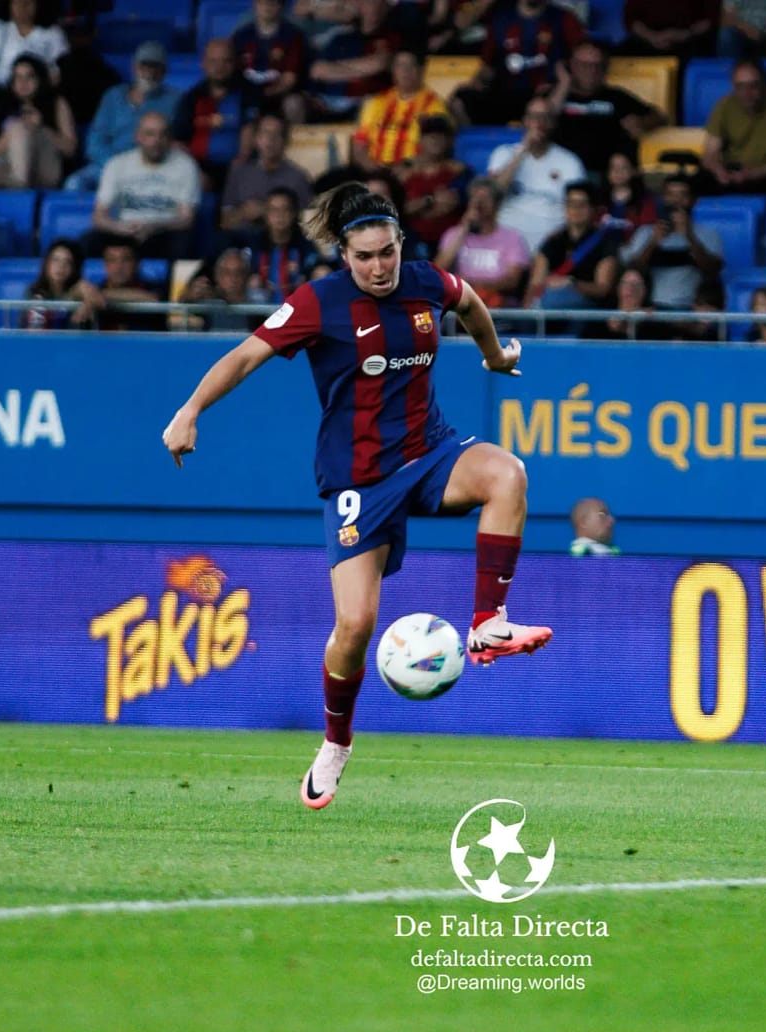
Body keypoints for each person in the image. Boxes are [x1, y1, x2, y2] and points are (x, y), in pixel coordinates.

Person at [160, 181, 553, 810]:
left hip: (430, 453)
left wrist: (494, 357)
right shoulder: (318, 302)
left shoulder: (426, 282)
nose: (378, 267)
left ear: (400, 243)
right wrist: (190, 410)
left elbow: (470, 302)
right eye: (364, 256)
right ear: (344, 255)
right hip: (358, 480)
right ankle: (336, 743)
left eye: (387, 252)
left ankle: (488, 623)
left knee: (508, 473)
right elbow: (245, 357)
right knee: (354, 625)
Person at [64, 41, 179, 192]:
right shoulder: (114, 95)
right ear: (134, 67)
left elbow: (174, 141)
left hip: (150, 165)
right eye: (144, 66)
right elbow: (95, 141)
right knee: (75, 183)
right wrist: (116, 165)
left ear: (164, 71)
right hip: (109, 163)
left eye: (155, 67)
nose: (149, 72)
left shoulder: (175, 100)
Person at [450, 0, 585, 127]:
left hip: (546, 95)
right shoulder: (500, 19)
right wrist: (479, 80)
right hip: (505, 94)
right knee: (460, 100)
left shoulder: (564, 19)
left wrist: (563, 82)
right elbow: (488, 65)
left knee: (548, 106)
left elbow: (583, 57)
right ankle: (477, 142)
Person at [89, 111, 200, 261]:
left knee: (184, 243)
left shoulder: (186, 165)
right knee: (89, 242)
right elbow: (98, 217)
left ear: (170, 138)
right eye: (150, 134)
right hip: (125, 231)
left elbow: (187, 219)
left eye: (163, 134)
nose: (156, 141)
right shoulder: (117, 164)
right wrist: (120, 228)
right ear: (138, 136)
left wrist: (154, 227)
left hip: (164, 231)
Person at [547, 39, 666, 178]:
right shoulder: (553, 95)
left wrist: (642, 123)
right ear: (570, 66)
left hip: (604, 176)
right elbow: (543, 118)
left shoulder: (616, 97)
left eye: (597, 65)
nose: (591, 71)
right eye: (584, 65)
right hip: (559, 174)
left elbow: (660, 117)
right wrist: (564, 84)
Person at [488, 99, 587, 252]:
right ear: (525, 121)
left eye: (545, 117)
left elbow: (579, 209)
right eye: (534, 116)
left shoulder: (570, 161)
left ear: (553, 123)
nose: (539, 123)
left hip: (551, 246)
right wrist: (524, 149)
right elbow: (494, 193)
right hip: (506, 245)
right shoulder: (503, 153)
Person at [620, 173, 724, 310]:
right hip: (650, 310)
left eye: (683, 195)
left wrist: (690, 237)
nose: (676, 201)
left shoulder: (709, 234)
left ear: (694, 200)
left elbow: (712, 271)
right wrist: (652, 243)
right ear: (663, 198)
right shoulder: (645, 232)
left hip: (690, 310)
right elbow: (633, 271)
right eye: (671, 195)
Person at [0, 54, 76, 189]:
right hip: (8, 164)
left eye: (29, 77)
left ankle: (20, 187)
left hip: (45, 167)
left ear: (40, 79)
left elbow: (70, 149)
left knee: (19, 129)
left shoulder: (56, 103)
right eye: (18, 77)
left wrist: (42, 127)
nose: (23, 83)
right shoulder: (4, 107)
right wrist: (12, 135)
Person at [702, 60, 766, 196]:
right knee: (702, 178)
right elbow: (709, 155)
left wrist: (755, 173)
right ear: (733, 87)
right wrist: (719, 171)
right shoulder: (724, 106)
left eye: (753, 86)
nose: (747, 93)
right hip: (734, 171)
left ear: (763, 84)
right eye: (740, 87)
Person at [526, 179, 620, 321]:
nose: (576, 209)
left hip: (589, 310)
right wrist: (526, 310)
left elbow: (603, 289)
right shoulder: (553, 241)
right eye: (571, 204)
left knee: (552, 300)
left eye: (582, 204)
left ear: (592, 208)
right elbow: (535, 283)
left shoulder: (605, 242)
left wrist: (571, 283)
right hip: (549, 307)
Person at [0, 0, 69, 120]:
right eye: (17, 3)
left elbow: (60, 70)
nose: (22, 8)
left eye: (28, 3)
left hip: (37, 96)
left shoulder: (53, 34)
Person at [434, 176, 532, 308]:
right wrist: (464, 229)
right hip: (460, 302)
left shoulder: (512, 238)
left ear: (497, 204)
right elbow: (439, 269)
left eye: (485, 198)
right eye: (475, 198)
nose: (479, 203)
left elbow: (512, 280)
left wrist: (475, 286)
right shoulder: (454, 234)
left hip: (497, 302)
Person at [351, 49, 446, 168]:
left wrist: (405, 169)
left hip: (413, 171)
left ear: (421, 70)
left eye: (411, 65)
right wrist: (372, 168)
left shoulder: (433, 105)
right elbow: (359, 145)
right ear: (393, 71)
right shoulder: (376, 103)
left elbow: (436, 149)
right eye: (400, 66)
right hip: (375, 171)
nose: (405, 71)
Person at [220, 115, 314, 237]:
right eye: (265, 133)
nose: (270, 139)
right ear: (256, 139)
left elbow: (307, 225)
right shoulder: (239, 173)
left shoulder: (298, 177)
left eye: (276, 134)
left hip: (283, 243)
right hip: (243, 241)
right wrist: (243, 213)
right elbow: (224, 221)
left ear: (285, 141)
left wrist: (267, 211)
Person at [172, 39, 242, 194]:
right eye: (213, 61)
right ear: (203, 64)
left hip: (241, 167)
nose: (220, 67)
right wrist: (195, 172)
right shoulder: (190, 98)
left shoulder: (247, 94)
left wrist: (242, 166)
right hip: (201, 167)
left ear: (235, 63)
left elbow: (254, 132)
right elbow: (178, 142)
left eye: (226, 61)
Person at [230, 0, 310, 133]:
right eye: (262, 2)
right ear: (255, 5)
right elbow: (233, 71)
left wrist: (264, 95)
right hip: (248, 95)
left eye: (272, 3)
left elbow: (289, 79)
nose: (267, 6)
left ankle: (297, 144)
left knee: (294, 104)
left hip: (279, 96)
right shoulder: (241, 36)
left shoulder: (293, 35)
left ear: (281, 6)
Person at [398, 115, 468, 249]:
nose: (436, 140)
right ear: (421, 140)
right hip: (410, 242)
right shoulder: (404, 173)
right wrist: (430, 200)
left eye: (441, 136)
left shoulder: (459, 171)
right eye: (431, 136)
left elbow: (450, 204)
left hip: (449, 242)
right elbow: (399, 210)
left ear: (449, 141)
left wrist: (419, 207)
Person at [244, 185, 324, 300]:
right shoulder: (255, 244)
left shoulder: (305, 246)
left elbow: (313, 270)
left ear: (294, 213)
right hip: (261, 306)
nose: (279, 215)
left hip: (297, 304)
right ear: (266, 214)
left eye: (285, 209)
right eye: (274, 210)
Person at [93, 236, 164, 332]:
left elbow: (152, 299)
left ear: (137, 264)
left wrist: (101, 294)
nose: (119, 266)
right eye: (112, 260)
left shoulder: (154, 288)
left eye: (126, 260)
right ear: (105, 265)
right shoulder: (95, 288)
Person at [24, 239, 99, 330]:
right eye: (55, 260)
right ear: (46, 264)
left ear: (75, 268)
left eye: (68, 262)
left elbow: (99, 300)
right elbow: (33, 333)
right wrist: (69, 297)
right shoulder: (33, 292)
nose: (61, 266)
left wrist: (87, 298)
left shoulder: (81, 290)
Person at [181, 247, 258, 332]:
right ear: (218, 277)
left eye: (238, 273)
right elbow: (182, 303)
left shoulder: (258, 305)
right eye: (227, 273)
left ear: (247, 276)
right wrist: (190, 296)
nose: (233, 279)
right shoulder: (210, 303)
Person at [620, 0, 719, 61]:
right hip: (648, 37)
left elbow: (710, 19)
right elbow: (631, 19)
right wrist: (651, 37)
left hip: (688, 37)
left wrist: (685, 34)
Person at [582, 267, 659, 340]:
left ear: (645, 290)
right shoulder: (601, 315)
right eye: (625, 283)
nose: (630, 289)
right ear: (618, 288)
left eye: (636, 285)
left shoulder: (656, 315)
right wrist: (613, 328)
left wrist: (644, 322)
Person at [603, 151, 660, 237]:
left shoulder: (644, 200)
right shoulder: (598, 200)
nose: (617, 171)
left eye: (623, 167)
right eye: (613, 167)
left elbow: (647, 231)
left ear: (634, 171)